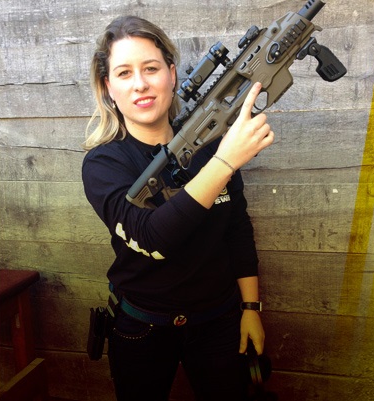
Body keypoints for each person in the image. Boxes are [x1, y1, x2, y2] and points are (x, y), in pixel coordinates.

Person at [81, 15, 273, 401]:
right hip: (142, 328)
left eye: (151, 68)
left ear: (171, 75)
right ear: (108, 87)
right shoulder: (104, 164)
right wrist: (226, 162)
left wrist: (251, 307)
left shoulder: (214, 147)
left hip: (220, 322)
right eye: (124, 73)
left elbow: (237, 229)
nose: (140, 83)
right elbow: (152, 239)